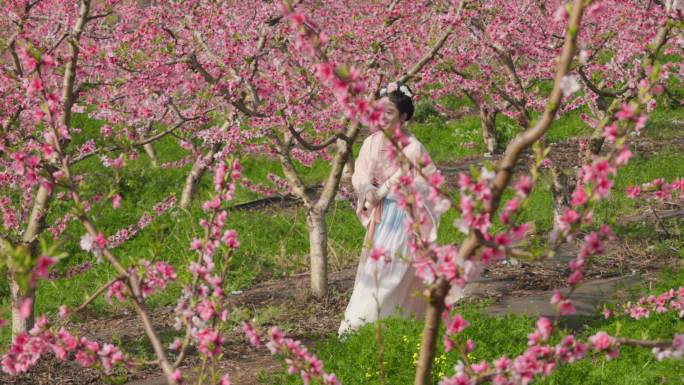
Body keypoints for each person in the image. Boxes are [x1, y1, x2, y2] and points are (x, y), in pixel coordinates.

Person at [338, 81, 443, 336]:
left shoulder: (413, 147)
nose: (381, 118)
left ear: (404, 117)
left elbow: (426, 182)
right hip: (381, 218)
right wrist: (367, 189)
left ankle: (384, 326)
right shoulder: (371, 143)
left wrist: (386, 189)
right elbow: (360, 174)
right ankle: (361, 327)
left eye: (390, 113)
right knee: (372, 272)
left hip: (405, 218)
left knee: (393, 273)